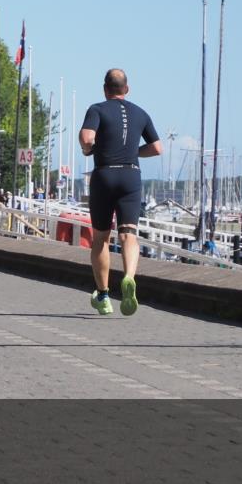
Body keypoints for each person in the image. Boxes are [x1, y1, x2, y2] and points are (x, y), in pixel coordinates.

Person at [79, 68, 162, 316]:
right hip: (130, 175)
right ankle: (129, 277)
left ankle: (103, 295)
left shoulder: (97, 109)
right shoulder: (141, 112)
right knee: (129, 235)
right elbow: (157, 148)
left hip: (105, 174)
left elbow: (86, 138)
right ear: (127, 89)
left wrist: (89, 151)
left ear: (105, 89)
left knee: (101, 238)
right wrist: (133, 151)